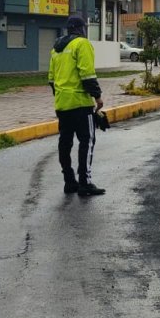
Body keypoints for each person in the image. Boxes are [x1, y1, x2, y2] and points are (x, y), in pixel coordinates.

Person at [48, 15, 105, 197]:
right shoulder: (82, 44)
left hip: (62, 105)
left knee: (65, 143)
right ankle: (85, 183)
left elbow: (51, 79)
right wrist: (97, 97)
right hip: (80, 103)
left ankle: (69, 182)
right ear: (81, 29)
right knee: (87, 142)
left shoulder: (56, 49)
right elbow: (87, 74)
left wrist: (61, 96)